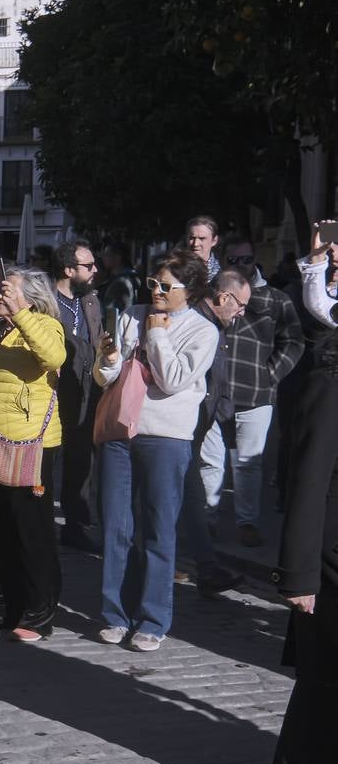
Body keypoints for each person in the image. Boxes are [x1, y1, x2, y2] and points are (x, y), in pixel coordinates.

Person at [94, 250, 218, 652]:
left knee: (159, 529)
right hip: (120, 431)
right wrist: (108, 358)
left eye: (167, 286)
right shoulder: (131, 313)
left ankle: (153, 618)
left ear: (191, 290)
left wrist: (158, 333)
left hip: (166, 436)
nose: (158, 292)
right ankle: (115, 613)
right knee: (115, 525)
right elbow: (106, 378)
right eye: (154, 283)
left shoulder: (203, 331)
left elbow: (172, 380)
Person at [0, 265, 66, 641]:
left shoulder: (46, 325)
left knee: (30, 532)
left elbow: (54, 358)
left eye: (4, 292)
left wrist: (20, 314)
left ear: (29, 298)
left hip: (29, 443)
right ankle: (0, 604)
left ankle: (38, 612)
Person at [263, 328, 338, 764]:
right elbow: (308, 476)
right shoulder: (330, 382)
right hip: (330, 558)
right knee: (324, 684)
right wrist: (298, 575)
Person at [196, 240, 302, 548]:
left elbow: (294, 340)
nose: (241, 262)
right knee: (211, 461)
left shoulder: (276, 299)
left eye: (247, 258)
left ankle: (247, 522)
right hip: (214, 392)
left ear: (255, 259)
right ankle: (208, 521)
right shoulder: (216, 294)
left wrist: (271, 374)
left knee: (248, 462)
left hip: (255, 393)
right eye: (234, 258)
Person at [180, 269, 252, 596]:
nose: (242, 312)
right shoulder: (199, 324)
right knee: (179, 500)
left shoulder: (216, 325)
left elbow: (217, 385)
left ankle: (204, 568)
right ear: (223, 297)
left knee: (189, 500)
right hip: (180, 429)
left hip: (197, 428)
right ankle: (199, 567)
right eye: (240, 305)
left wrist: (224, 424)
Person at [48, 240, 105, 551]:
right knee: (47, 457)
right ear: (69, 270)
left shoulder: (92, 301)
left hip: (86, 391)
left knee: (81, 460)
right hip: (52, 390)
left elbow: (96, 341)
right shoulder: (44, 302)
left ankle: (75, 525)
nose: (95, 270)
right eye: (88, 266)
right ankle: (41, 521)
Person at [185, 215, 221, 280]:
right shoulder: (174, 270)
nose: (195, 244)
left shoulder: (221, 273)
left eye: (202, 238)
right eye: (192, 238)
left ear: (214, 241)